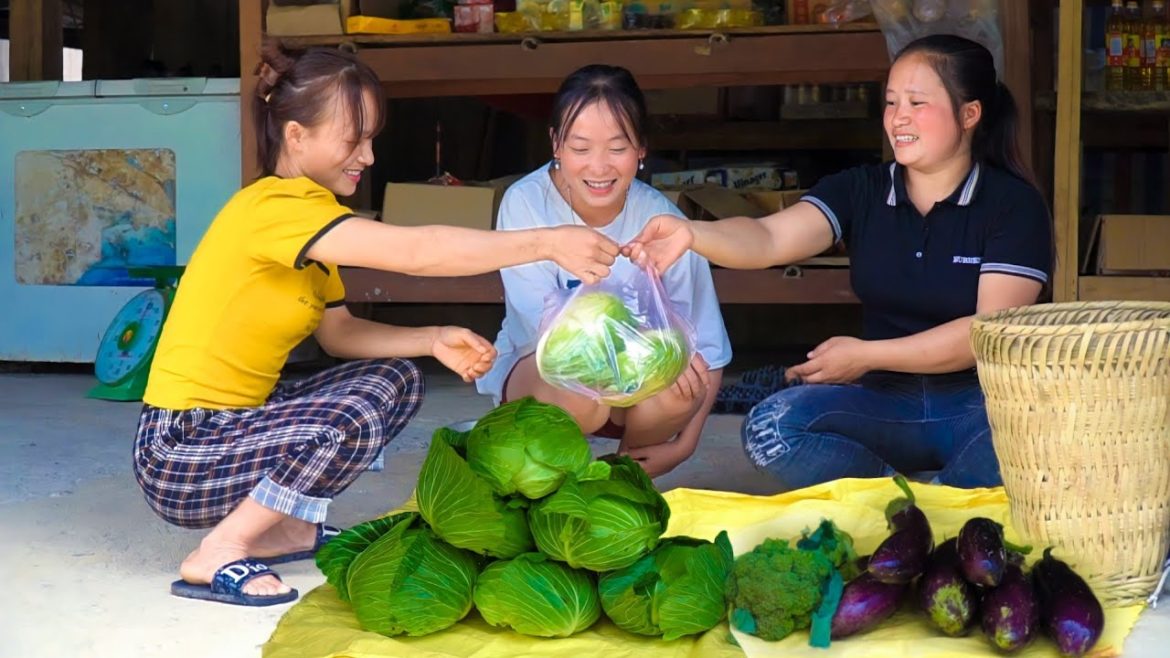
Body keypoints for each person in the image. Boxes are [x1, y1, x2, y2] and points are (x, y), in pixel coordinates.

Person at [133, 43, 620, 607]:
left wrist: (431, 340)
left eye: (371, 139)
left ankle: (284, 528)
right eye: (352, 139)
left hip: (235, 432)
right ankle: (219, 549)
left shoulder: (313, 223)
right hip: (181, 450)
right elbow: (417, 249)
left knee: (394, 379)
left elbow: (339, 335)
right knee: (354, 411)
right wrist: (546, 243)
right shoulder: (272, 208)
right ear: (296, 137)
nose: (366, 155)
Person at [625, 35, 1052, 491]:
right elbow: (768, 237)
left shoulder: (1012, 205)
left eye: (917, 102)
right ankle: (907, 502)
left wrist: (866, 355)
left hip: (980, 406)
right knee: (770, 430)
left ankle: (930, 506)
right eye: (890, 102)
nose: (898, 118)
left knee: (1039, 434)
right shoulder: (861, 190)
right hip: (886, 403)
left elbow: (986, 333)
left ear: (970, 114)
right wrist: (693, 234)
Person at [476, 64, 733, 479]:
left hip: (637, 393)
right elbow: (547, 338)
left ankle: (618, 484)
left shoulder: (663, 221)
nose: (599, 167)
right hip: (545, 379)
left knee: (684, 383)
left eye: (617, 148)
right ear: (555, 144)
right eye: (580, 148)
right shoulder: (525, 204)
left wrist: (685, 444)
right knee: (580, 392)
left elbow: (710, 345)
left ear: (642, 148)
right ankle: (556, 485)